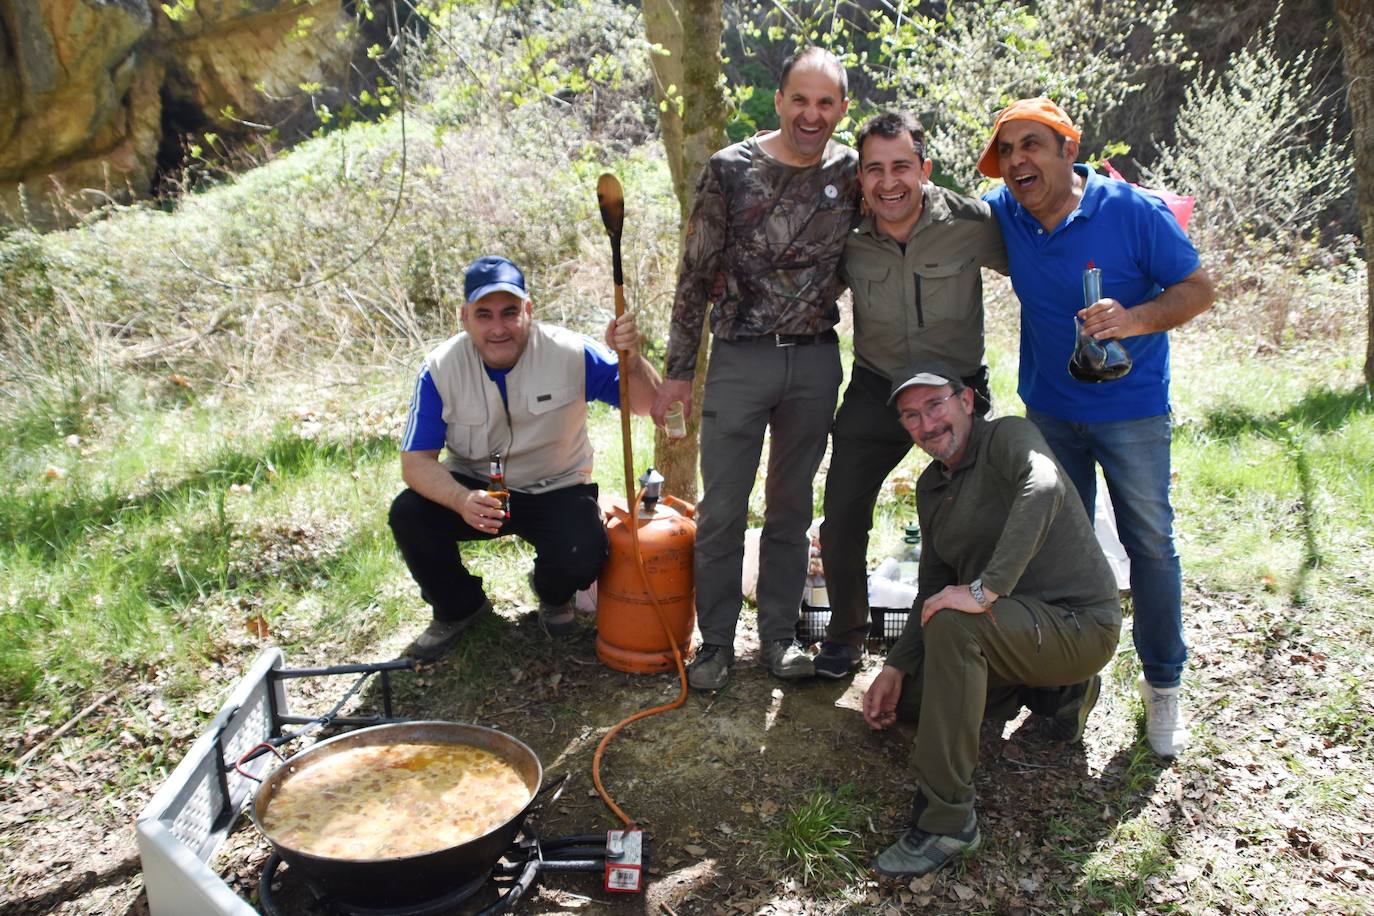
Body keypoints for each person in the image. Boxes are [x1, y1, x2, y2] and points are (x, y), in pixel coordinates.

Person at [979, 98, 1215, 756]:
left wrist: (1133, 319)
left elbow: (1198, 288)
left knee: (1150, 543)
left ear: (1066, 149)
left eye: (1032, 144)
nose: (1018, 160)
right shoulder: (1008, 214)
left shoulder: (1131, 211)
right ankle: (1068, 681)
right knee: (1061, 548)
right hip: (1052, 410)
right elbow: (936, 211)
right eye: (1006, 152)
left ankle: (1164, 686)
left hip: (1131, 410)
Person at [649, 47, 860, 690]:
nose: (811, 114)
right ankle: (714, 643)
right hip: (740, 358)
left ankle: (778, 638)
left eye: (826, 103)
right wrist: (678, 374)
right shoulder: (730, 170)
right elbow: (694, 274)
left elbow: (902, 216)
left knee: (792, 507)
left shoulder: (852, 171)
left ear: (843, 109)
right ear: (779, 100)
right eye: (801, 99)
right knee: (722, 508)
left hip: (817, 359)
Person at [862, 362, 1121, 879]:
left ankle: (947, 821)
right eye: (911, 416)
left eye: (935, 405)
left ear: (966, 400)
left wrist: (986, 589)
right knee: (912, 700)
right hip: (1013, 632)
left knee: (957, 627)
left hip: (1077, 624)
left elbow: (1044, 485)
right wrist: (896, 666)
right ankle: (1056, 693)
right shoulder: (933, 487)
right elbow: (932, 589)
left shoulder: (1006, 437)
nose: (926, 423)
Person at [389, 255, 660, 661]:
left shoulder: (570, 352)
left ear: (528, 311)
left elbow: (646, 404)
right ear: (464, 317)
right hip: (477, 488)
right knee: (409, 514)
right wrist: (462, 500)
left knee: (583, 550)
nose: (498, 327)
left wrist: (633, 358)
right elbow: (416, 463)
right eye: (484, 314)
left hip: (557, 487)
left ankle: (553, 595)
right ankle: (460, 607)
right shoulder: (440, 369)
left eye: (510, 312)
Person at [814, 111, 1007, 679]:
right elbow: (805, 290)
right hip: (878, 387)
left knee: (972, 517)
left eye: (901, 165)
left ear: (925, 168)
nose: (888, 181)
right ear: (860, 179)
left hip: (955, 390)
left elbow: (1040, 262)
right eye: (874, 169)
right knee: (842, 514)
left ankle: (963, 633)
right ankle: (845, 636)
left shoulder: (971, 222)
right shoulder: (847, 236)